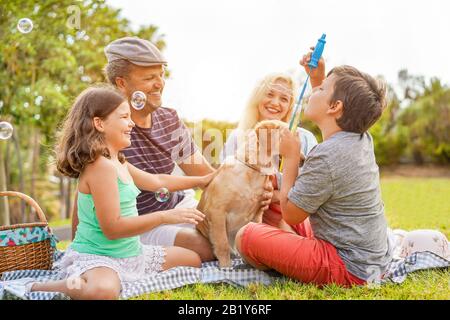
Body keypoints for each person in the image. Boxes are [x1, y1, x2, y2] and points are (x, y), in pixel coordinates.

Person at [0, 86, 214, 300]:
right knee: (102, 291)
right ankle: (38, 286)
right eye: (124, 117)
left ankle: (116, 276)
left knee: (193, 259)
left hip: (132, 254)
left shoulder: (119, 160)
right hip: (99, 257)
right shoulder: (100, 167)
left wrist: (202, 180)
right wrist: (164, 217)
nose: (131, 123)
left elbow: (157, 181)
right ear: (99, 123)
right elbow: (113, 228)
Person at [71, 37, 273, 261]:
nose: (160, 84)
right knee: (208, 248)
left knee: (235, 232)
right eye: (149, 78)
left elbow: (206, 176)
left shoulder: (169, 119)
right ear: (121, 83)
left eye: (161, 75)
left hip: (178, 205)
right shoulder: (111, 131)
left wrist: (252, 192)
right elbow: (84, 194)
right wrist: (76, 250)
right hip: (140, 221)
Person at [234, 52, 393, 287]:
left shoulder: (327, 156)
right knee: (272, 194)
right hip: (371, 261)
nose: (311, 92)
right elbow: (334, 119)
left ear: (335, 106)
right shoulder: (359, 138)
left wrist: (289, 158)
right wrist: (319, 78)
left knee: (245, 236)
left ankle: (286, 257)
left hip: (350, 270)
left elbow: (292, 214)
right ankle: (288, 248)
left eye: (319, 90)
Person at [220, 73, 318, 163]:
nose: (275, 103)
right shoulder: (237, 136)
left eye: (284, 99)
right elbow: (223, 177)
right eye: (269, 94)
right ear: (257, 97)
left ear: (289, 106)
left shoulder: (305, 138)